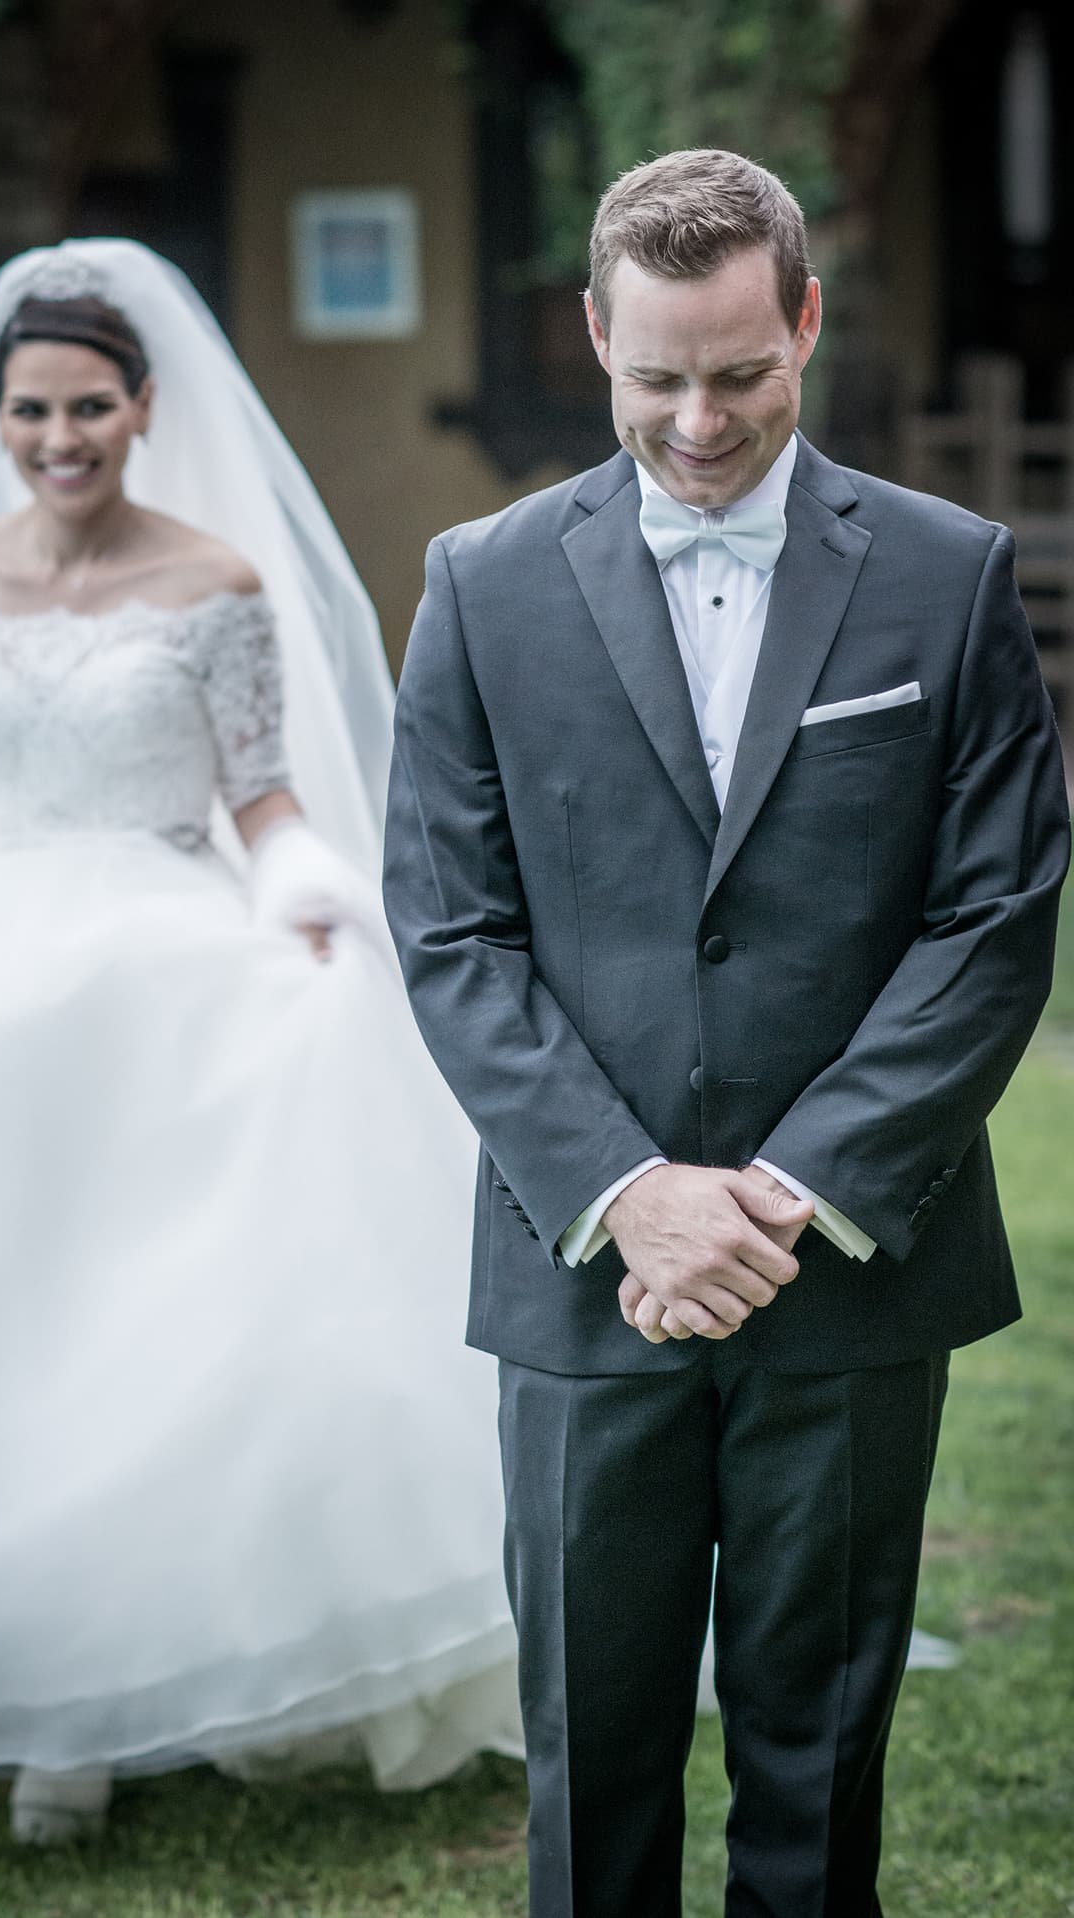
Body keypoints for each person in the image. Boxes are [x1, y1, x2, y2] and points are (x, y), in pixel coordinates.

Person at [382, 149, 1070, 1917]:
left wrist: (781, 1191)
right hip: (581, 1266)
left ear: (808, 324)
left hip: (845, 1272)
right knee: (587, 1754)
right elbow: (452, 928)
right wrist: (632, 1194)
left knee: (818, 1754)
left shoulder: (945, 574)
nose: (698, 420)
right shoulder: (480, 581)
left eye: (742, 374)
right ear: (599, 333)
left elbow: (992, 919)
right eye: (657, 375)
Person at [0, 239, 522, 1843]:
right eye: (31, 410)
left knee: (131, 1313)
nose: (59, 438)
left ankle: (97, 1701)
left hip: (156, 934)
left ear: (140, 412)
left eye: (89, 410)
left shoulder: (213, 581)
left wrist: (305, 893)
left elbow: (259, 792)